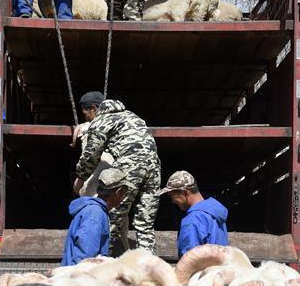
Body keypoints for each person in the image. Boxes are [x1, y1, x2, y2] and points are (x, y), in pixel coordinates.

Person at [73, 97, 161, 255]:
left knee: (112, 218)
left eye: (86, 114)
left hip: (130, 167)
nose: (88, 119)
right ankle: (148, 266)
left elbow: (91, 156)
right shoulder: (133, 117)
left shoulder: (101, 121)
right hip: (154, 168)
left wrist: (80, 178)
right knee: (145, 225)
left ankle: (102, 265)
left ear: (94, 108)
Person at [61, 168, 127, 266]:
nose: (124, 197)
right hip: (80, 278)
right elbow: (85, 259)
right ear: (118, 192)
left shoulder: (96, 211)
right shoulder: (95, 215)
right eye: (125, 192)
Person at [157, 170, 229, 257]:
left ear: (185, 193)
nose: (173, 201)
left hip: (202, 270)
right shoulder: (214, 213)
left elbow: (189, 259)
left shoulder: (193, 219)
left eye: (173, 196)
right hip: (220, 268)